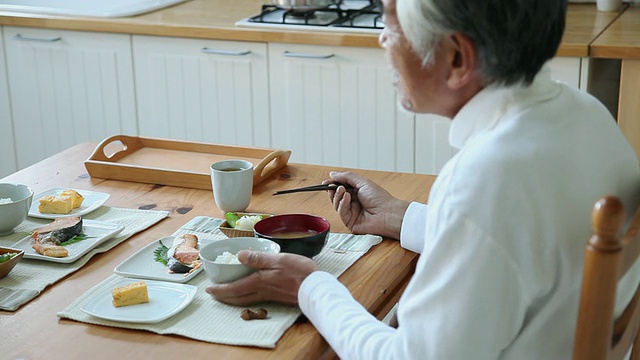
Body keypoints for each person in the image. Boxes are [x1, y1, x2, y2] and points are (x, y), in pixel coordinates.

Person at [206, 0, 640, 358]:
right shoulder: (586, 114)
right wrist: (398, 216)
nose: (381, 37)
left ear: (456, 58)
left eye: (393, 21)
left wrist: (308, 285)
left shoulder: (489, 177)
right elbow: (515, 245)